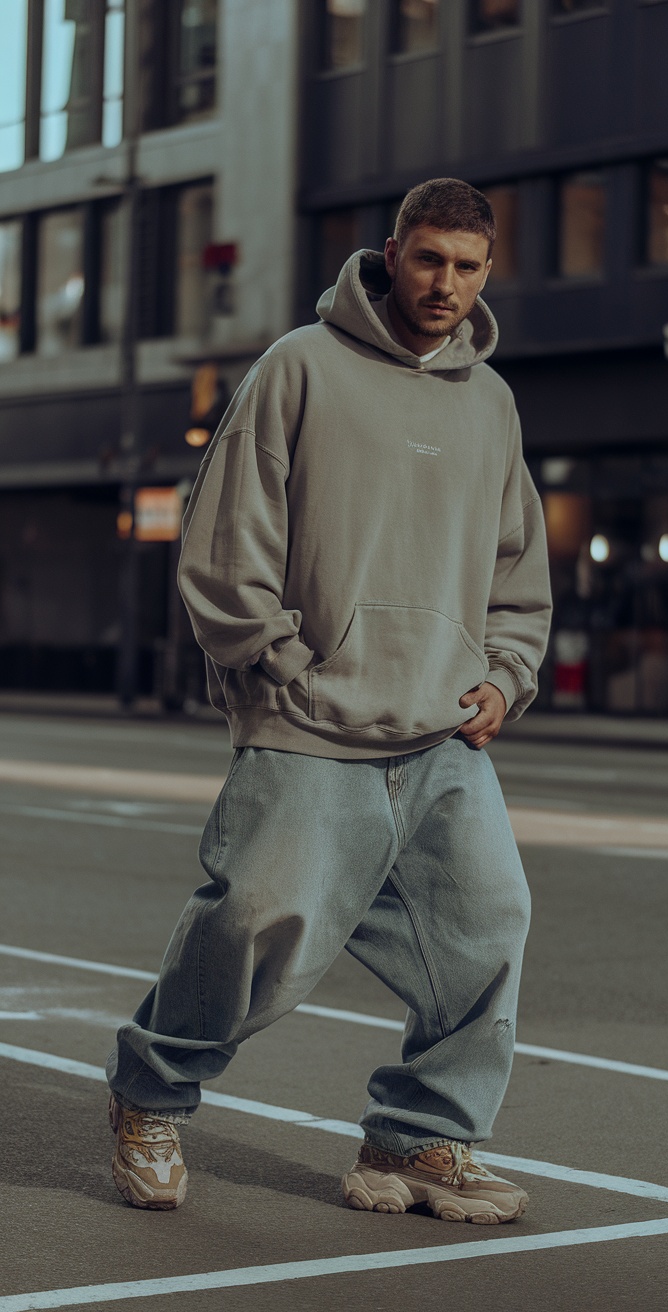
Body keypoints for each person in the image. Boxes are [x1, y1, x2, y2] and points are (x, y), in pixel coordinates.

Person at [107, 177, 552, 1225]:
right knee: (256, 924)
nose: (446, 282)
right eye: (429, 257)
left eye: (468, 265)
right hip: (309, 718)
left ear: (489, 271)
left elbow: (515, 563)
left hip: (442, 728)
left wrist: (505, 673)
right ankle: (149, 1095)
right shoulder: (297, 368)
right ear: (390, 252)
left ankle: (418, 1138)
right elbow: (226, 537)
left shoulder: (490, 401)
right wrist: (276, 660)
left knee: (488, 929)